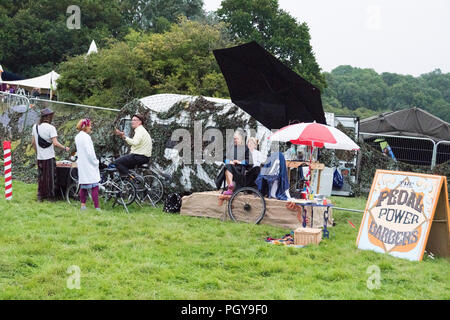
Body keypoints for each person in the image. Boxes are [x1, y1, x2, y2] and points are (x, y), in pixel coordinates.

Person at [31, 108, 70, 201]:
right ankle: (50, 197)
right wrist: (65, 148)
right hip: (49, 157)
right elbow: (55, 143)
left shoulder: (35, 126)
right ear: (49, 117)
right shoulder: (51, 128)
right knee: (50, 177)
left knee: (41, 177)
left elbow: (33, 142)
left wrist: (38, 152)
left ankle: (40, 196)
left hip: (40, 157)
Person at [75, 118, 101, 211]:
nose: (91, 127)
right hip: (89, 163)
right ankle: (97, 207)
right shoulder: (86, 137)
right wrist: (95, 161)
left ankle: (83, 205)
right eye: (89, 125)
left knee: (84, 184)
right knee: (95, 185)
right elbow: (90, 152)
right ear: (85, 127)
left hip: (82, 163)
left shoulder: (77, 137)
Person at [222, 130, 250, 195]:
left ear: (241, 139)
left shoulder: (246, 148)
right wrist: (230, 161)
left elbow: (249, 161)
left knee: (227, 167)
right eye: (234, 139)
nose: (235, 140)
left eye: (236, 139)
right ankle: (230, 186)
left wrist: (239, 162)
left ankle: (230, 188)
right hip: (231, 167)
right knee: (227, 165)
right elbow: (224, 159)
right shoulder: (231, 148)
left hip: (240, 169)